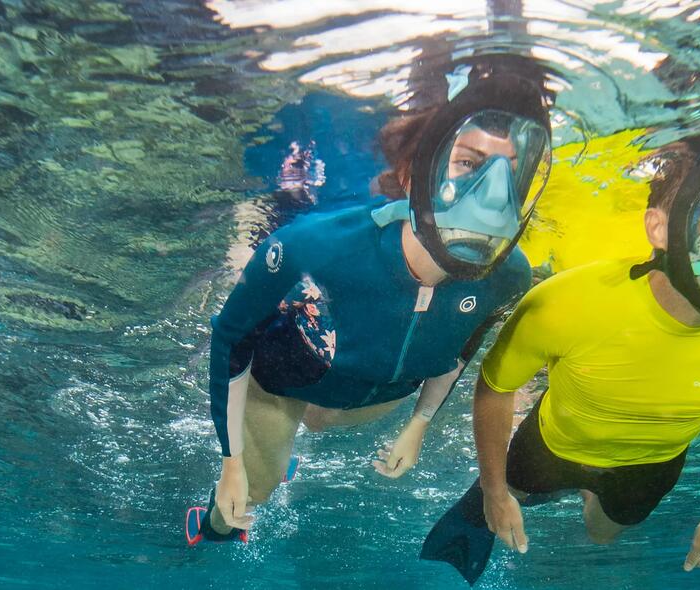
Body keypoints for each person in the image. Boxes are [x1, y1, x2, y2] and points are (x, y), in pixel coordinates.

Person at [185, 56, 556, 546]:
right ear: (413, 174)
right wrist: (232, 461)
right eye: (467, 164)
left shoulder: (508, 275)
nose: (491, 198)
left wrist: (420, 423)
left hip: (371, 400)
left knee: (322, 420)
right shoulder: (317, 244)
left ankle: (283, 447)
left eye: (511, 174)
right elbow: (231, 334)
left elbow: (461, 349)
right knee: (246, 501)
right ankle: (207, 524)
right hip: (284, 380)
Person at [421, 126, 700, 583]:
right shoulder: (562, 302)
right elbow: (496, 386)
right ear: (658, 227)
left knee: (602, 534)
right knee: (511, 493)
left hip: (649, 467)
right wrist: (492, 491)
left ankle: (584, 496)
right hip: (549, 444)